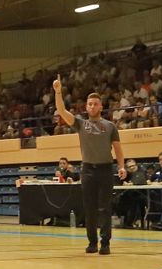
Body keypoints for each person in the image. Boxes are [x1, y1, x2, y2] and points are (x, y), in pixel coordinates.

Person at [52, 77, 126, 254]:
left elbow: (118, 149)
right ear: (86, 107)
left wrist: (122, 166)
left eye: (95, 104)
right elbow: (61, 110)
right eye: (89, 104)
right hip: (87, 170)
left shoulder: (110, 127)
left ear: (101, 107)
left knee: (105, 208)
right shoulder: (80, 124)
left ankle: (105, 243)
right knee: (90, 208)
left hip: (105, 170)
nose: (92, 106)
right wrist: (58, 92)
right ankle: (92, 242)